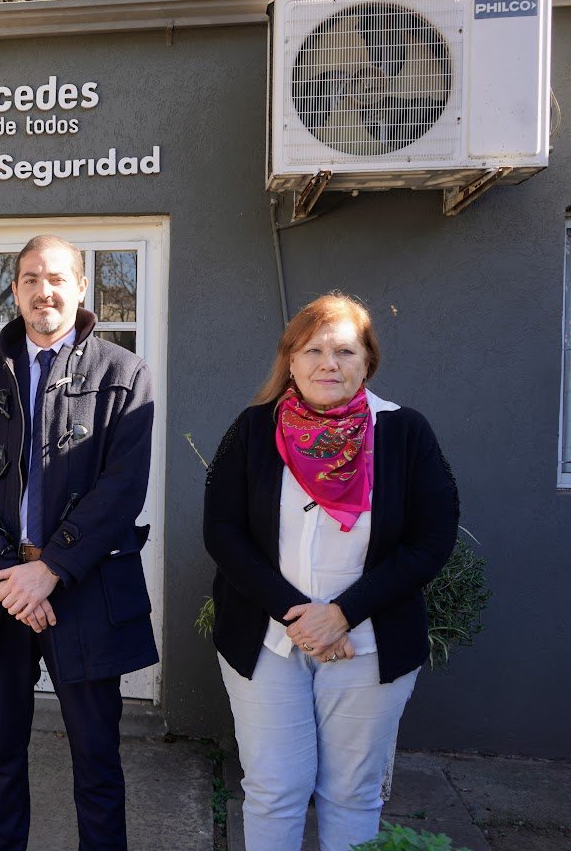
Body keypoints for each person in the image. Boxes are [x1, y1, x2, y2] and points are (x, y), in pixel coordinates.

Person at [203, 292, 459, 851]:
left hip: (369, 644)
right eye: (313, 350)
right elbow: (222, 531)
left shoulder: (405, 432)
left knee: (352, 792)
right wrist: (300, 617)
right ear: (291, 361)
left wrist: (342, 614)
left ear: (367, 361)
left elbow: (432, 539)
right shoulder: (252, 429)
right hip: (267, 640)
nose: (328, 364)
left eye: (344, 351)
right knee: (274, 789)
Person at [0, 234, 157, 851]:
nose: (45, 291)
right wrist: (9, 577)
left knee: (97, 755)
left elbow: (123, 488)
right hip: (1, 593)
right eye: (32, 279)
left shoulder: (123, 373)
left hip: (85, 587)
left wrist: (53, 567)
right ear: (15, 291)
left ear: (81, 287)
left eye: (57, 278)